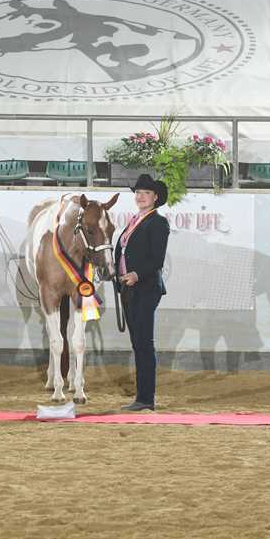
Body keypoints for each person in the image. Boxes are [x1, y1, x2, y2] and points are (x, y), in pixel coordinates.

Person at [114, 174, 171, 411]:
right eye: (138, 193)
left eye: (146, 193)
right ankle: (143, 396)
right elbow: (123, 252)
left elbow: (157, 259)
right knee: (138, 342)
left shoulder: (157, 222)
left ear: (155, 197)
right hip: (129, 288)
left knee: (144, 343)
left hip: (145, 288)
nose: (140, 196)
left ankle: (146, 398)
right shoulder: (135, 221)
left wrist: (137, 274)